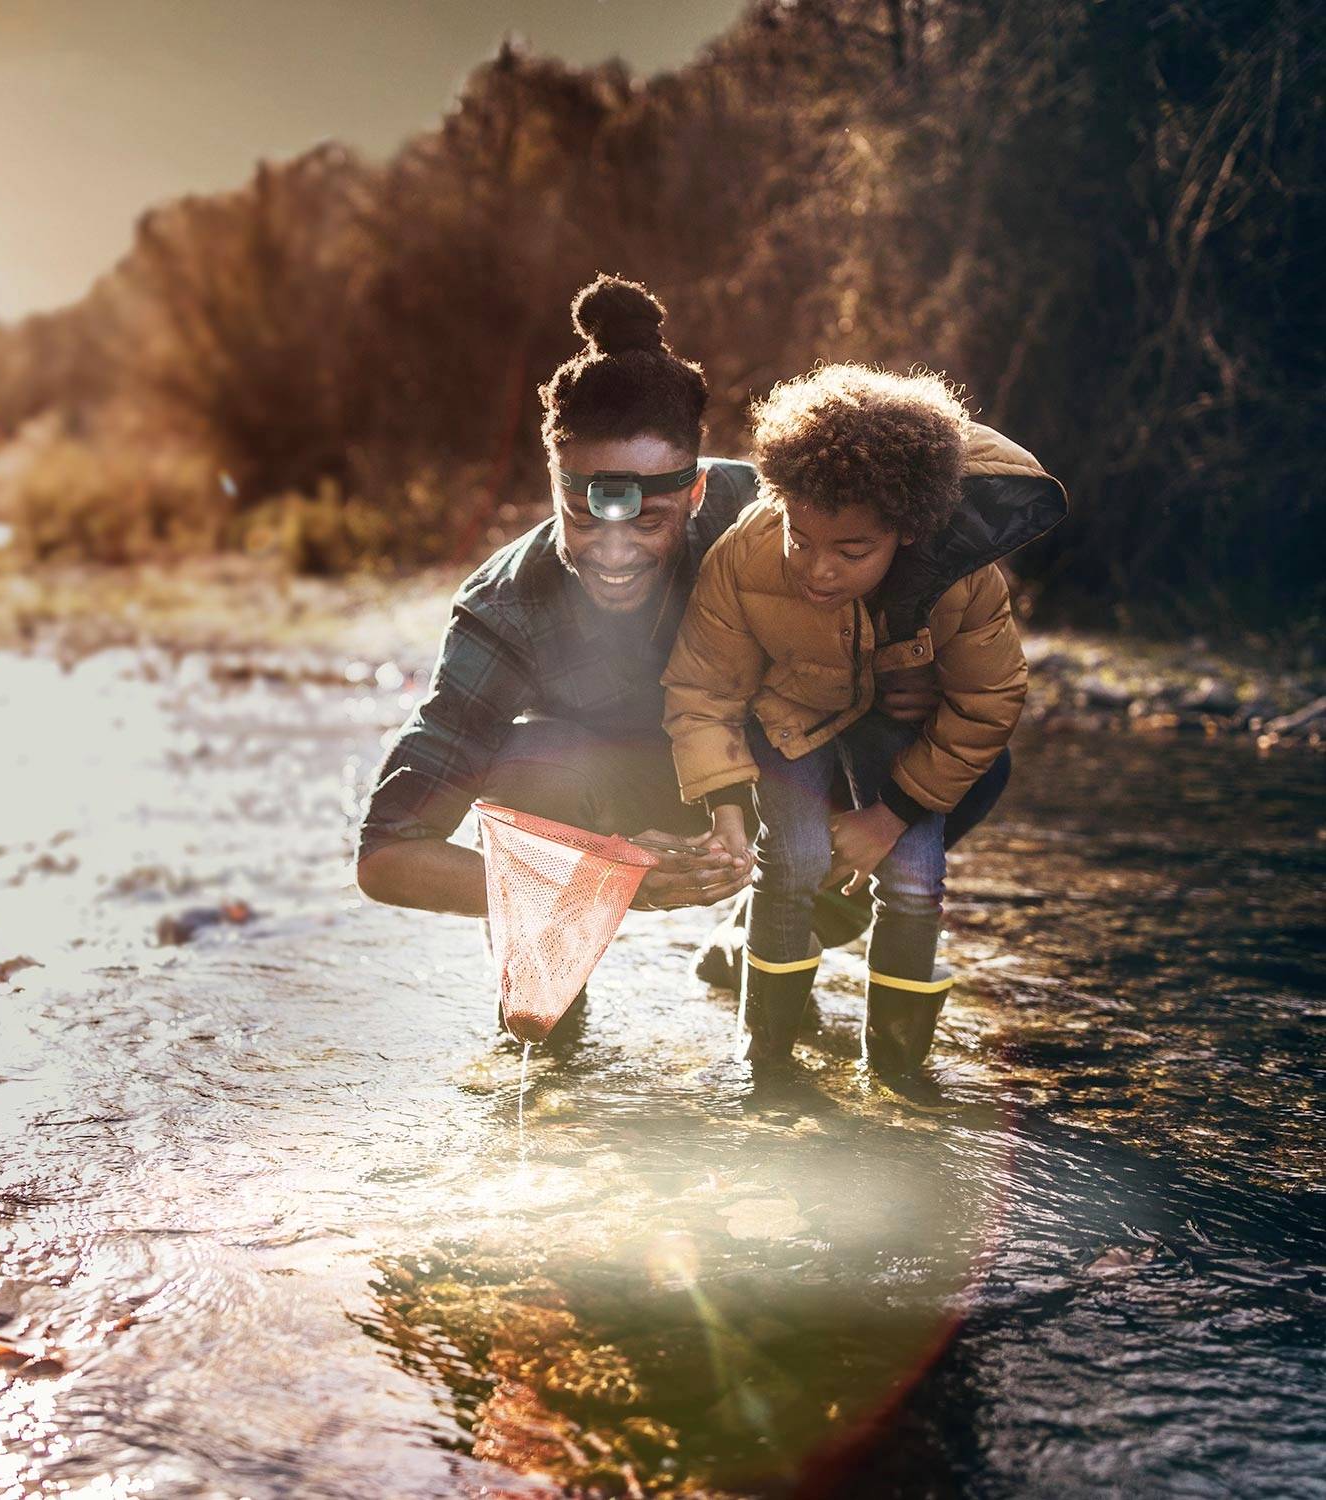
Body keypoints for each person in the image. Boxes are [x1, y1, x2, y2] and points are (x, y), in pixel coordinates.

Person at [353, 275, 1046, 1037]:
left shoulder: (775, 513)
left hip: (768, 765)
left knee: (974, 765)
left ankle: (786, 930)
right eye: (585, 516)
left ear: (696, 493)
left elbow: (928, 534)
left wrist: (902, 670)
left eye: (648, 520)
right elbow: (387, 856)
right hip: (607, 799)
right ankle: (547, 1034)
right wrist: (610, 883)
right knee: (532, 764)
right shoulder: (501, 609)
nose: (614, 549)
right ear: (554, 482)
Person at [662, 364, 1066, 1074]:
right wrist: (723, 802)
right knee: (791, 864)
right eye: (801, 539)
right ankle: (766, 1062)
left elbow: (992, 699)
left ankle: (898, 1072)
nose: (819, 570)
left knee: (916, 876)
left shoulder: (961, 581)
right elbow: (702, 690)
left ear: (907, 533)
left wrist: (891, 814)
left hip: (900, 739)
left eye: (852, 552)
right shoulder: (743, 557)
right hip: (788, 723)